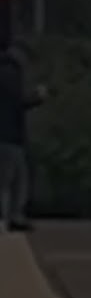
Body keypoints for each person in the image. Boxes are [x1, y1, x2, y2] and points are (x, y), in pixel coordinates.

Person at [0, 48, 44, 233]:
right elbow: (18, 102)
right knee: (15, 179)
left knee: (8, 178)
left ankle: (9, 217)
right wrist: (37, 97)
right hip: (10, 136)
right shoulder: (10, 75)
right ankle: (13, 217)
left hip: (6, 136)